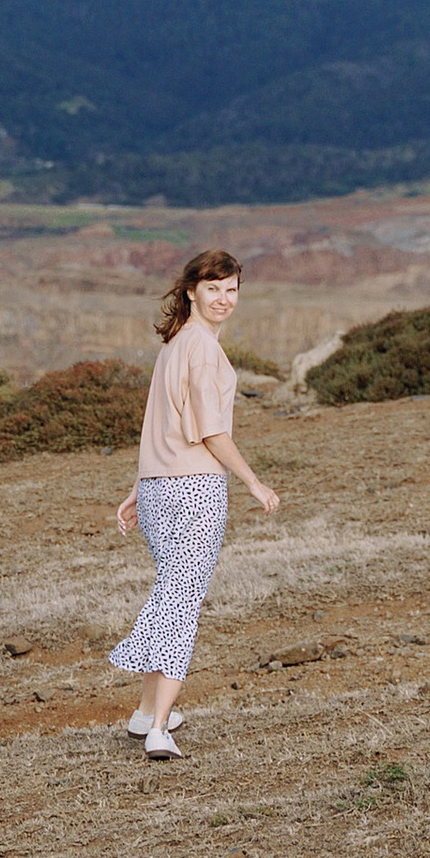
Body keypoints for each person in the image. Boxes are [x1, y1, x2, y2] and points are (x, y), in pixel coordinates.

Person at [110, 247, 280, 758]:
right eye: (213, 289)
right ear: (191, 291)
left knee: (171, 595)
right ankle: (161, 728)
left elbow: (156, 424)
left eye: (231, 290)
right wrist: (252, 480)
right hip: (193, 491)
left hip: (160, 489)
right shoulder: (202, 347)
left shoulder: (176, 343)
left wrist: (141, 487)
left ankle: (144, 714)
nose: (224, 299)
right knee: (180, 605)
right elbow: (210, 432)